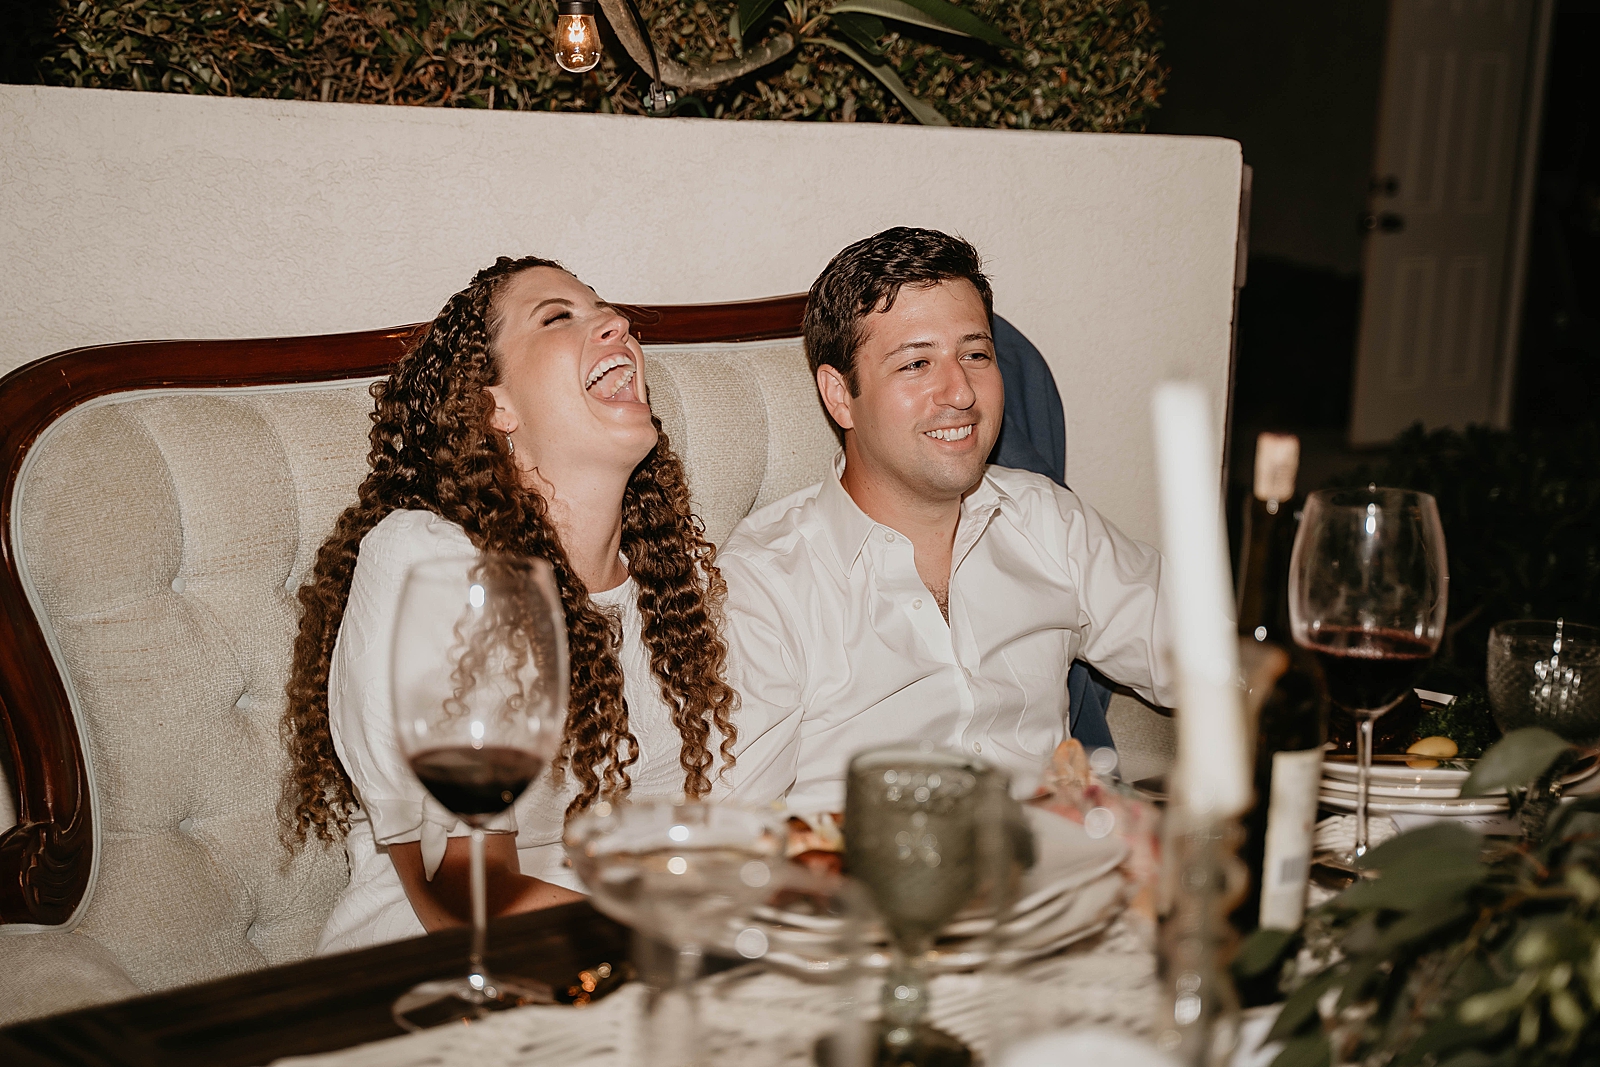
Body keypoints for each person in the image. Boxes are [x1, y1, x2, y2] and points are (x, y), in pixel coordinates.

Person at [280, 256, 757, 953]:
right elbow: (461, 888)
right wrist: (691, 954)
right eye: (559, 316)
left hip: (621, 964)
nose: (616, 324)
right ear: (494, 402)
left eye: (607, 309)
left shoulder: (674, 593)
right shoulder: (428, 560)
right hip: (433, 964)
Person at [719, 227, 1180, 813]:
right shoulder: (765, 581)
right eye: (916, 363)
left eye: (976, 354)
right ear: (839, 396)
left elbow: (1208, 662)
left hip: (1054, 877)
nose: (960, 391)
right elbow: (727, 821)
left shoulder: (1046, 521)